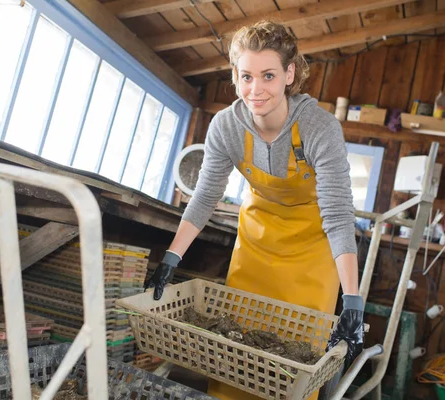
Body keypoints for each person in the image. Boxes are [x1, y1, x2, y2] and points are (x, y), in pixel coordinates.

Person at [144, 20, 364, 400]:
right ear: (234, 74)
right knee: (235, 348)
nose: (255, 89)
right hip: (257, 242)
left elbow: (338, 214)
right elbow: (205, 197)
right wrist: (171, 256)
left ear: (289, 74)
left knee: (295, 359)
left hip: (314, 250)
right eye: (246, 76)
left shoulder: (318, 128)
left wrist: (353, 299)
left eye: (268, 75)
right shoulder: (226, 127)